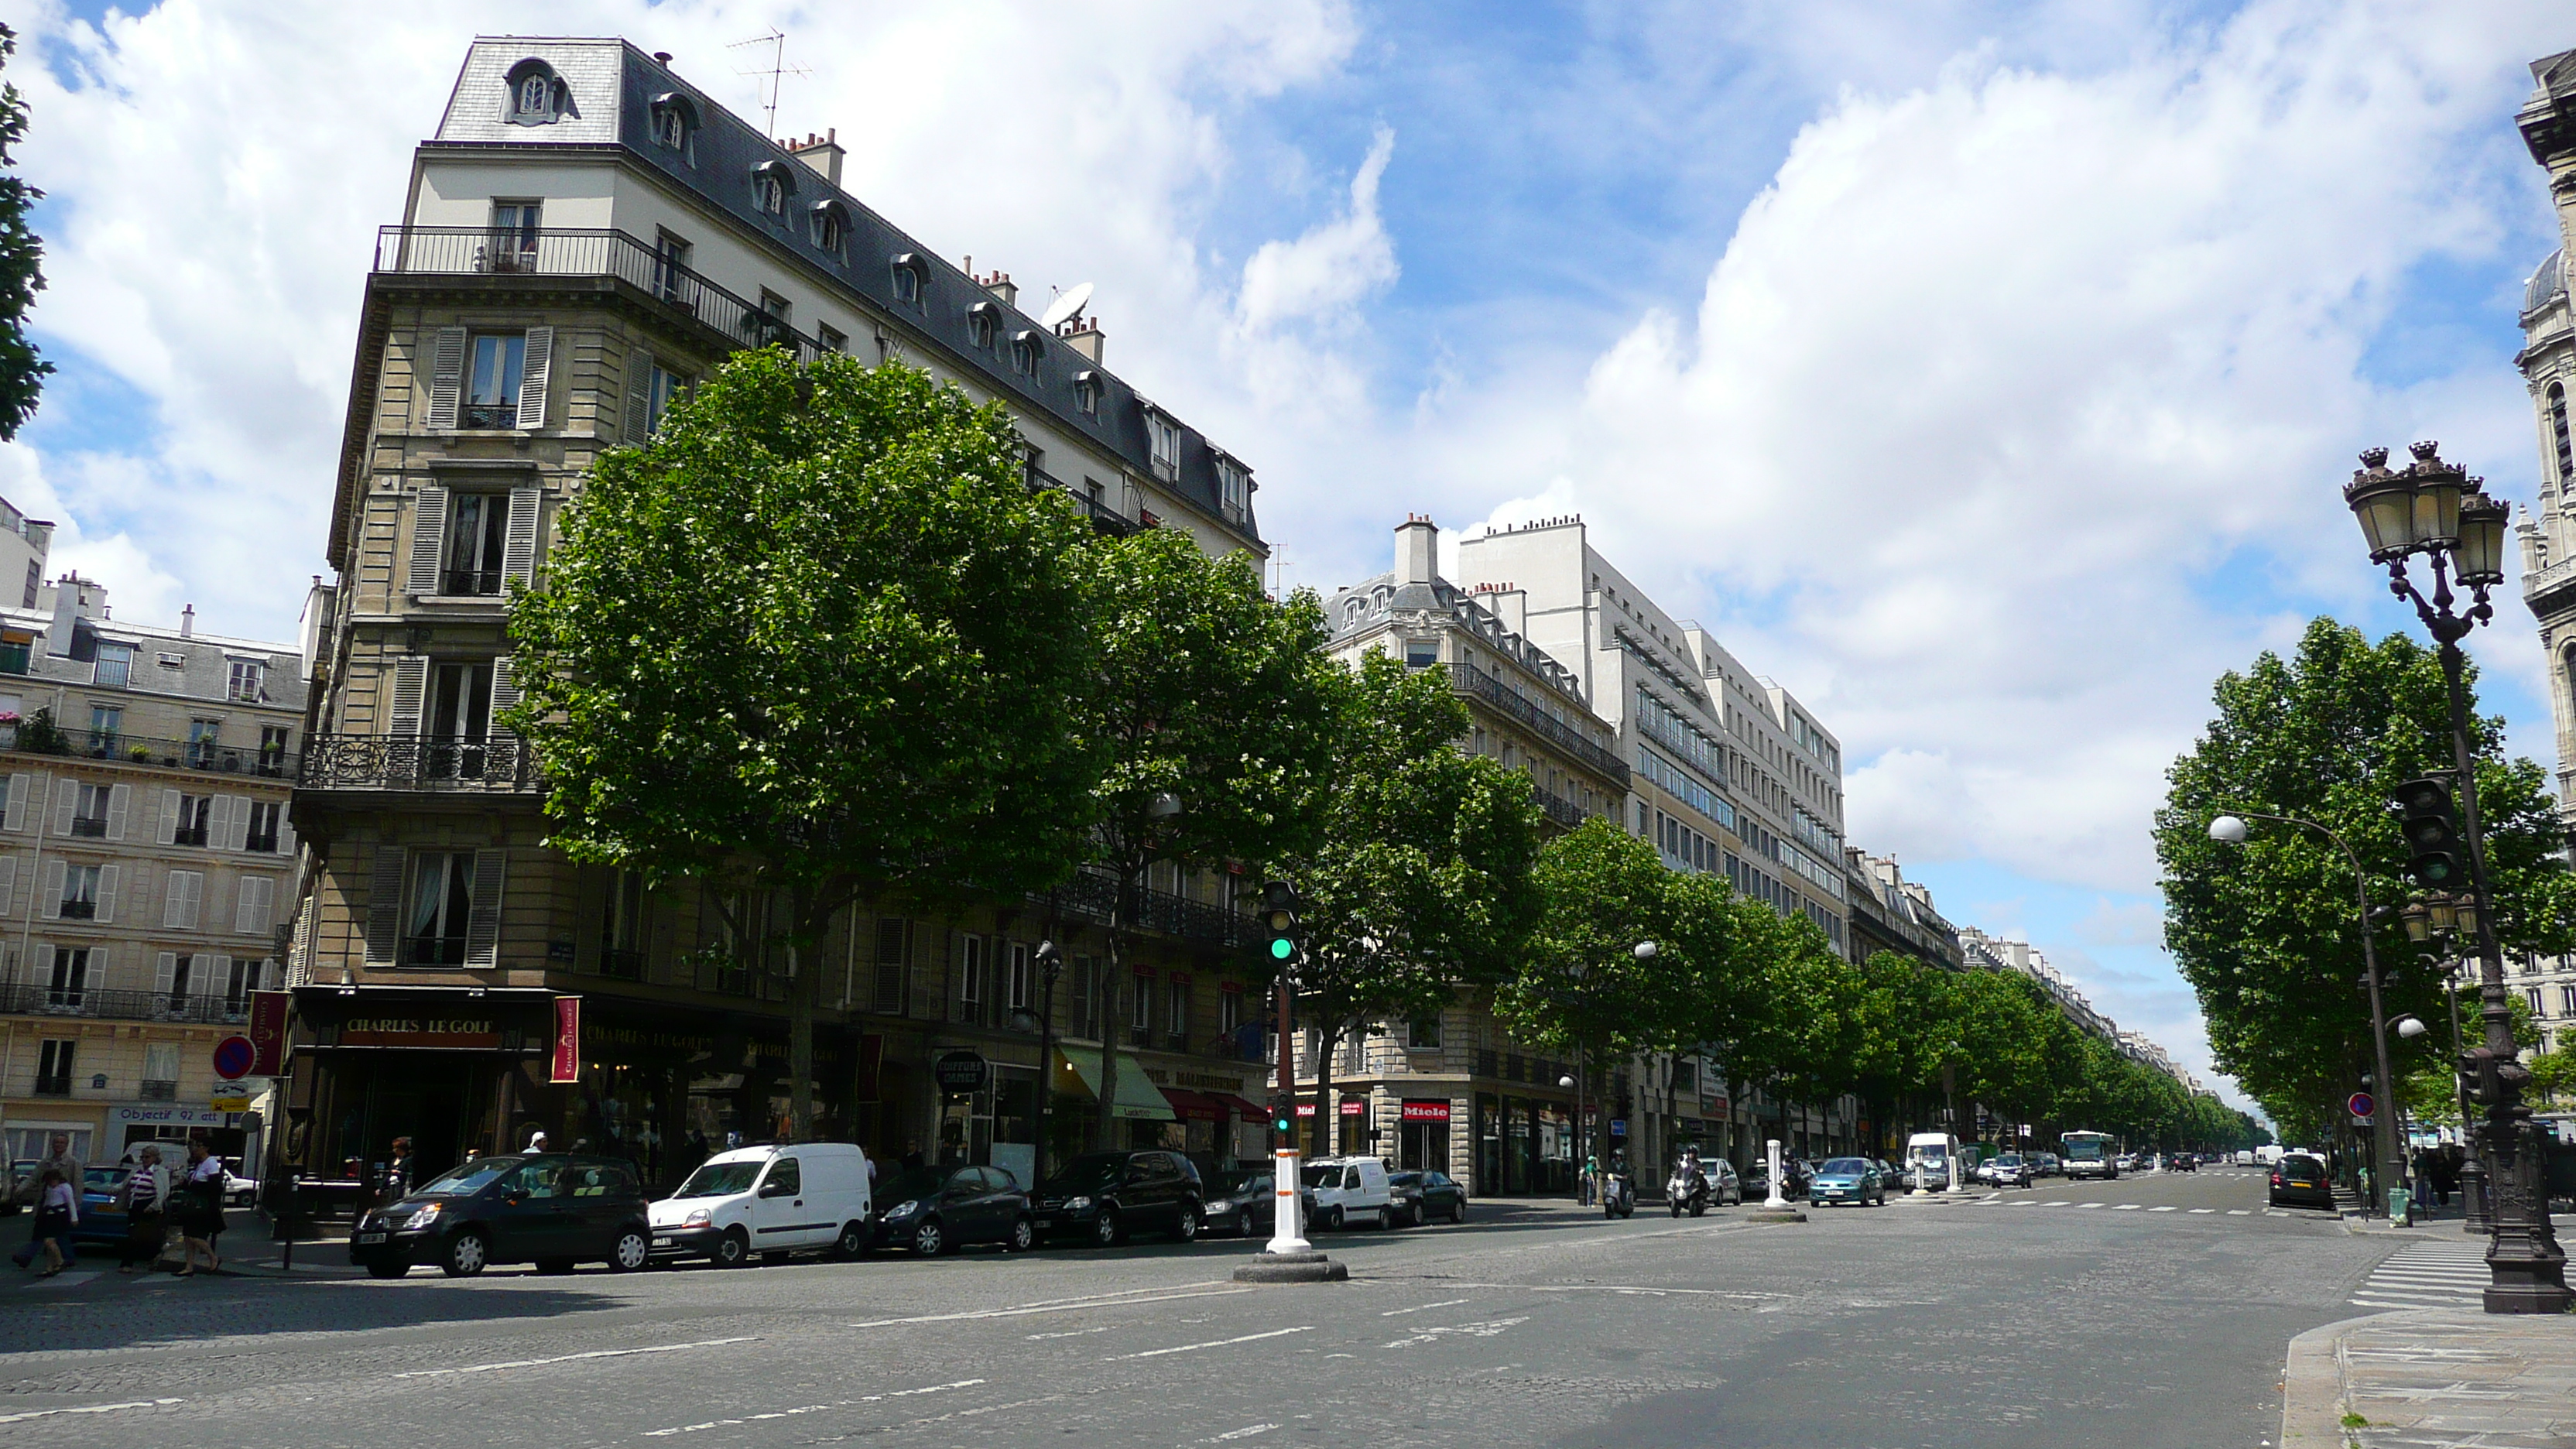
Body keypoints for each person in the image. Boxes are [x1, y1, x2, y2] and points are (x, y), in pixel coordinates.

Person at [12, 1133, 81, 1269]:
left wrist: (75, 1210)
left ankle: (31, 1256)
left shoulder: (73, 1163)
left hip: (62, 1206)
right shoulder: (45, 1163)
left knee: (56, 1234)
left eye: (62, 1143)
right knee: (45, 1233)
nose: (58, 1145)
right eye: (56, 1142)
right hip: (45, 1203)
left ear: (67, 1145)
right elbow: (34, 1178)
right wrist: (20, 1189)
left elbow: (78, 1186)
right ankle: (32, 1257)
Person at [118, 1146, 170, 1276]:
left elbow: (164, 1192)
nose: (144, 1160)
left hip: (149, 1206)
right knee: (134, 1234)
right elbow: (125, 1185)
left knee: (139, 1235)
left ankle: (127, 1263)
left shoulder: (160, 1172)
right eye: (143, 1157)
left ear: (155, 1158)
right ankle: (153, 1256)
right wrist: (110, 1189)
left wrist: (153, 1206)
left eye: (148, 1157)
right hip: (135, 1205)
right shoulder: (137, 1170)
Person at [177, 1141, 226, 1276]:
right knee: (187, 1236)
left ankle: (213, 1257)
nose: (195, 1149)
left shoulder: (211, 1163)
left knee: (195, 1236)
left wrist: (191, 1185)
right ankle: (189, 1266)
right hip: (193, 1205)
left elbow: (214, 1186)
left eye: (198, 1146)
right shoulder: (198, 1164)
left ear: (206, 1148)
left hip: (203, 1206)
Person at [28, 1166, 74, 1276]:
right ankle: (50, 1267)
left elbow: (71, 1202)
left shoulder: (65, 1187)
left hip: (59, 1216)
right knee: (48, 1244)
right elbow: (47, 1201)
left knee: (49, 1241)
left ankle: (60, 1261)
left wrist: (74, 1218)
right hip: (48, 1216)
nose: (51, 1183)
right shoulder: (48, 1188)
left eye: (53, 1181)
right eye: (49, 1181)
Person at [383, 1137, 413, 1201]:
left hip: (401, 1188)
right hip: (392, 1188)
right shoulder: (394, 1160)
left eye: (396, 1148)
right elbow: (389, 1175)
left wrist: (400, 1173)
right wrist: (381, 1188)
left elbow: (411, 1174)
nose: (394, 1150)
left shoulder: (408, 1160)